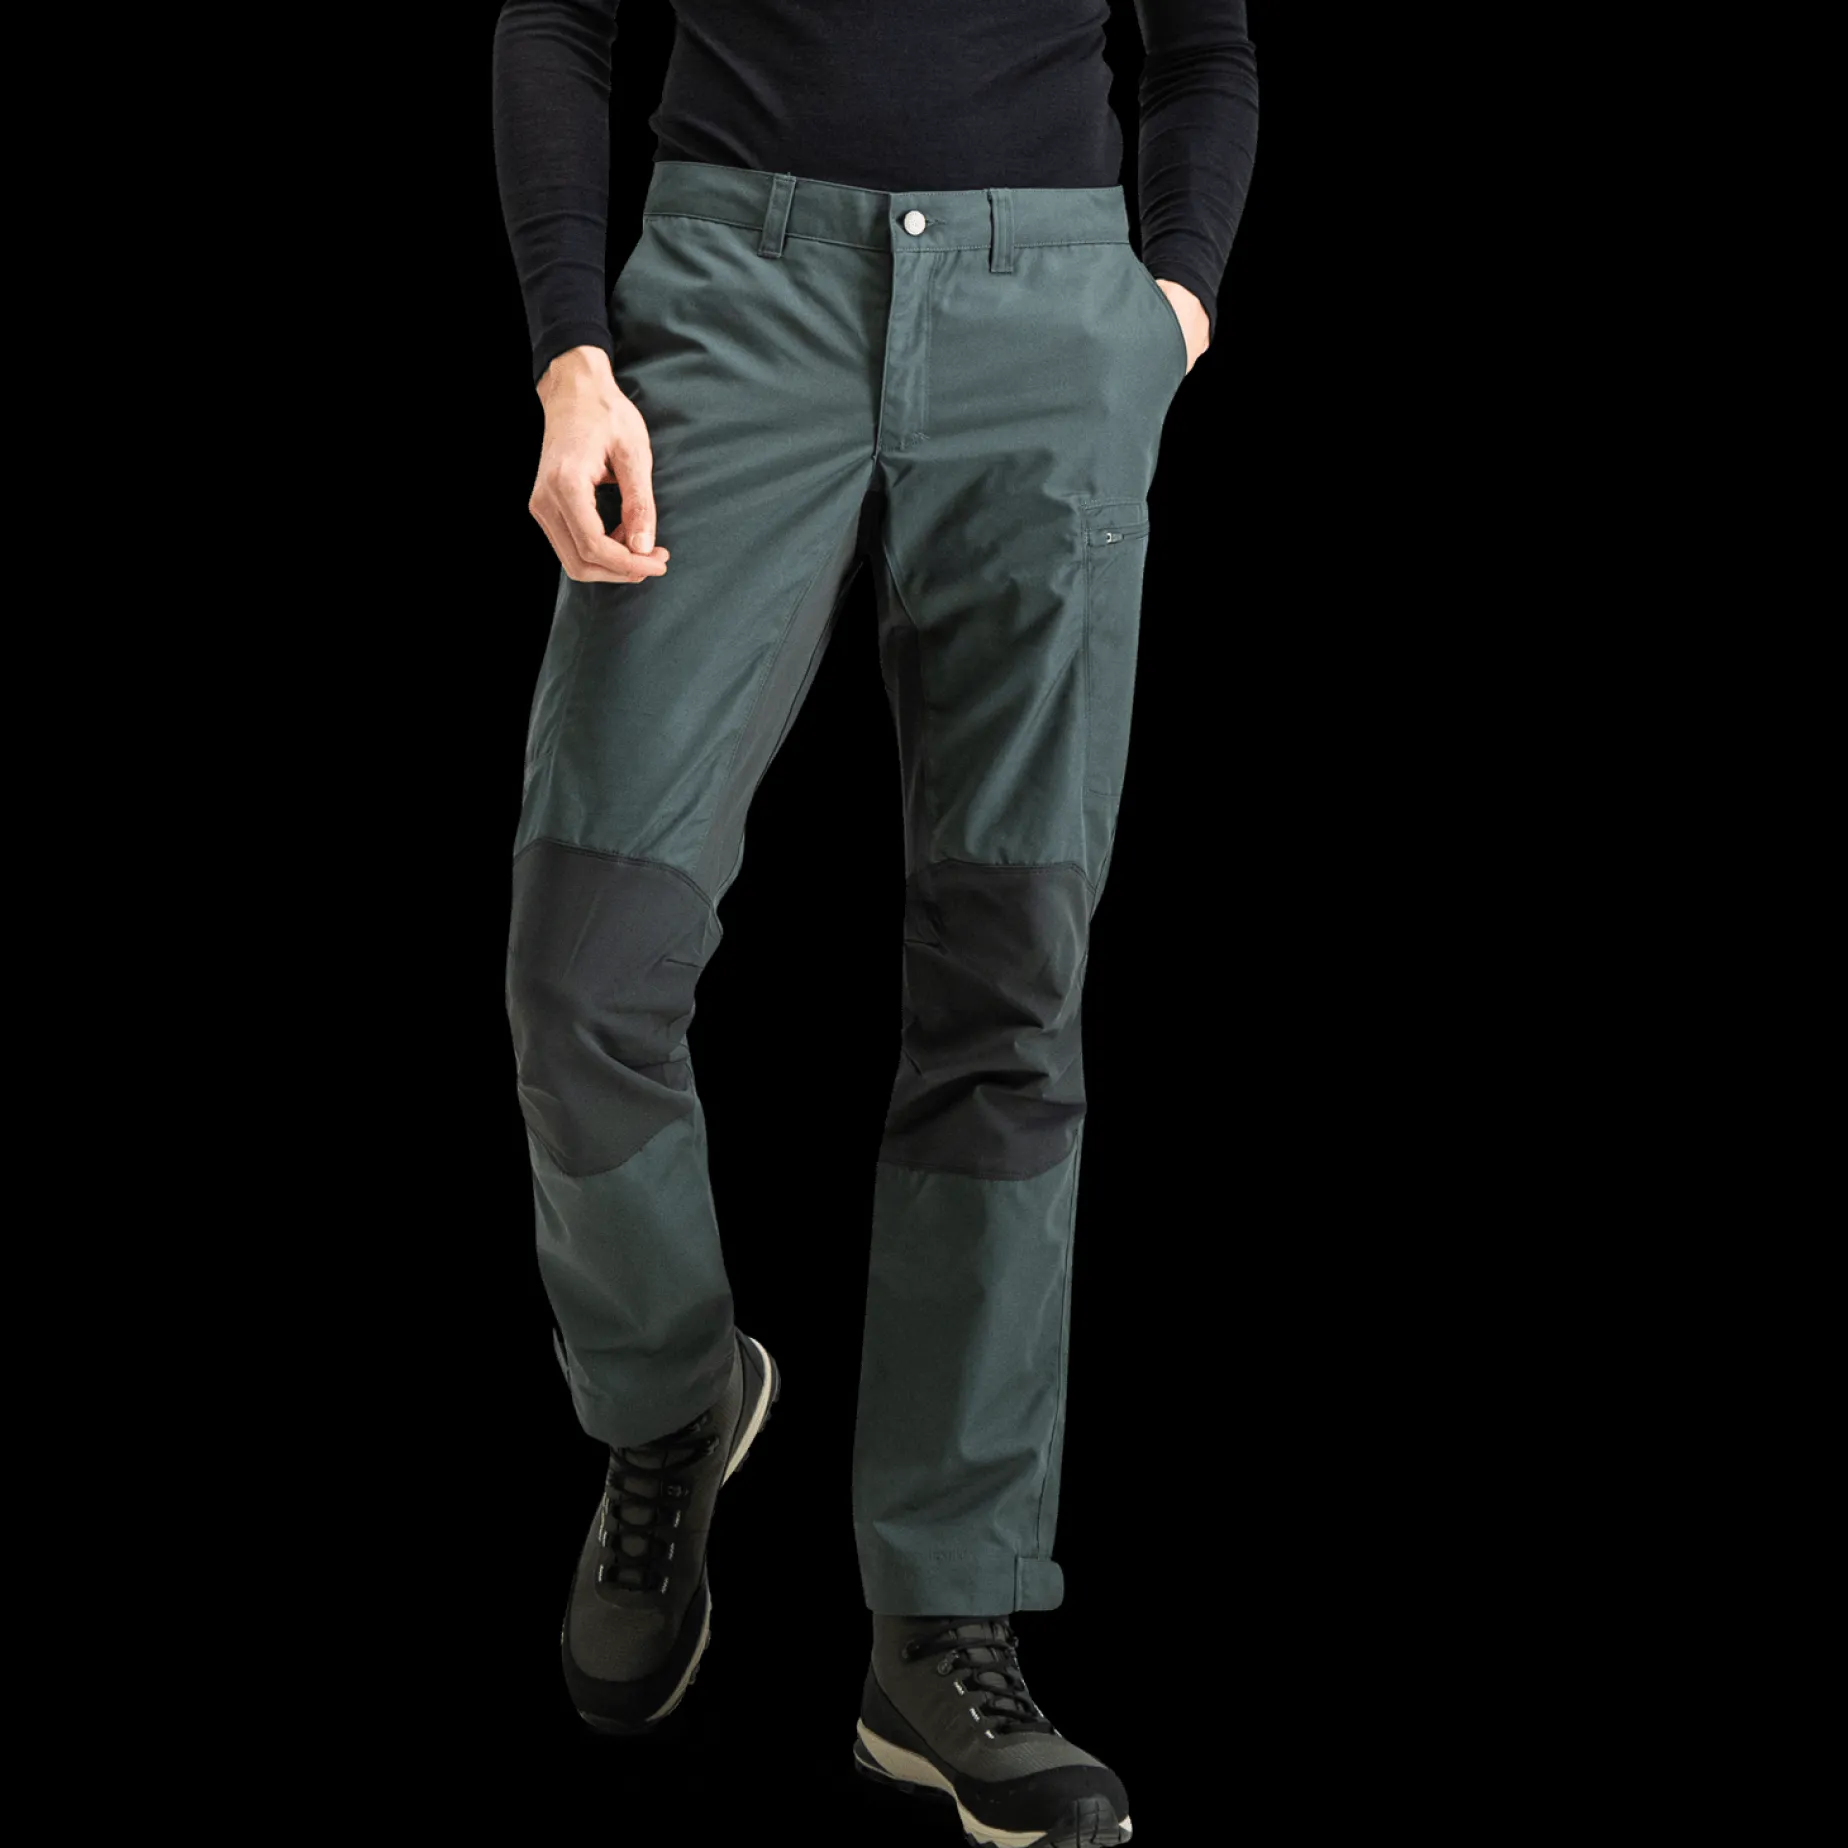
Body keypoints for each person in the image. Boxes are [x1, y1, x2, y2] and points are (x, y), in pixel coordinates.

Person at [492, 3, 1257, 1840]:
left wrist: (1169, 307)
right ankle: (670, 1404)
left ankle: (941, 1622)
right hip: (732, 296)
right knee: (583, 966)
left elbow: (1206, 46)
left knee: (1012, 987)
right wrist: (573, 352)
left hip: (1049, 318)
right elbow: (560, 20)